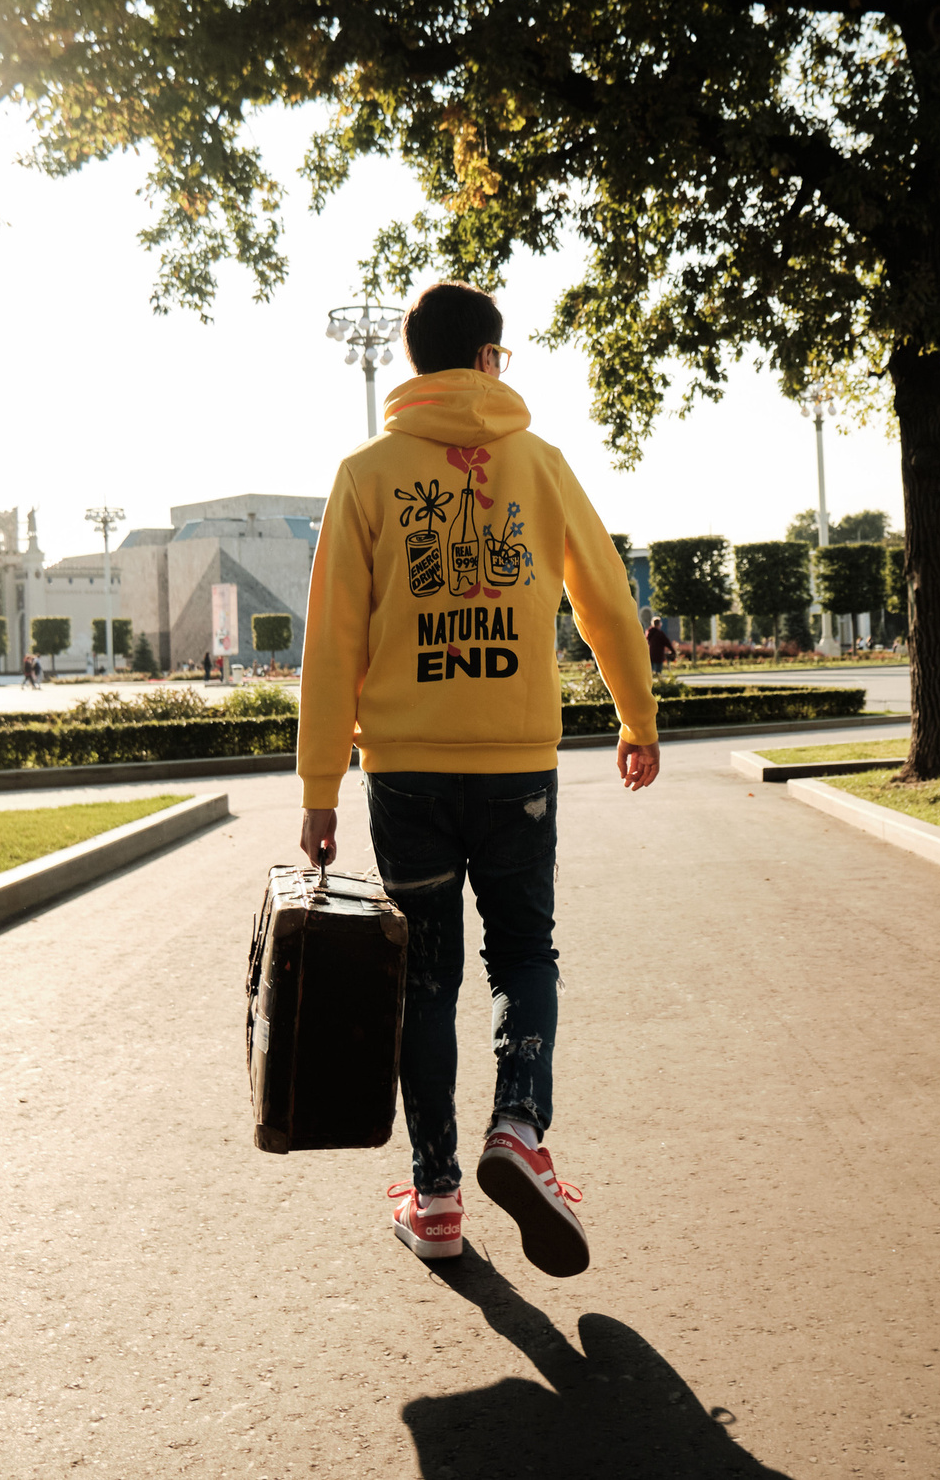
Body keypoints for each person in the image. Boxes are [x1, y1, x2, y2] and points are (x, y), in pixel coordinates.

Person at [296, 280, 658, 1280]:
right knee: (523, 956)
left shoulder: (364, 474)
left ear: (412, 363)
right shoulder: (538, 465)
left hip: (404, 771)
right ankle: (520, 1127)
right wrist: (635, 717)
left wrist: (319, 787)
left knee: (427, 980)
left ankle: (440, 1197)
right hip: (516, 767)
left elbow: (330, 642)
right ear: (491, 359)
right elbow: (606, 601)